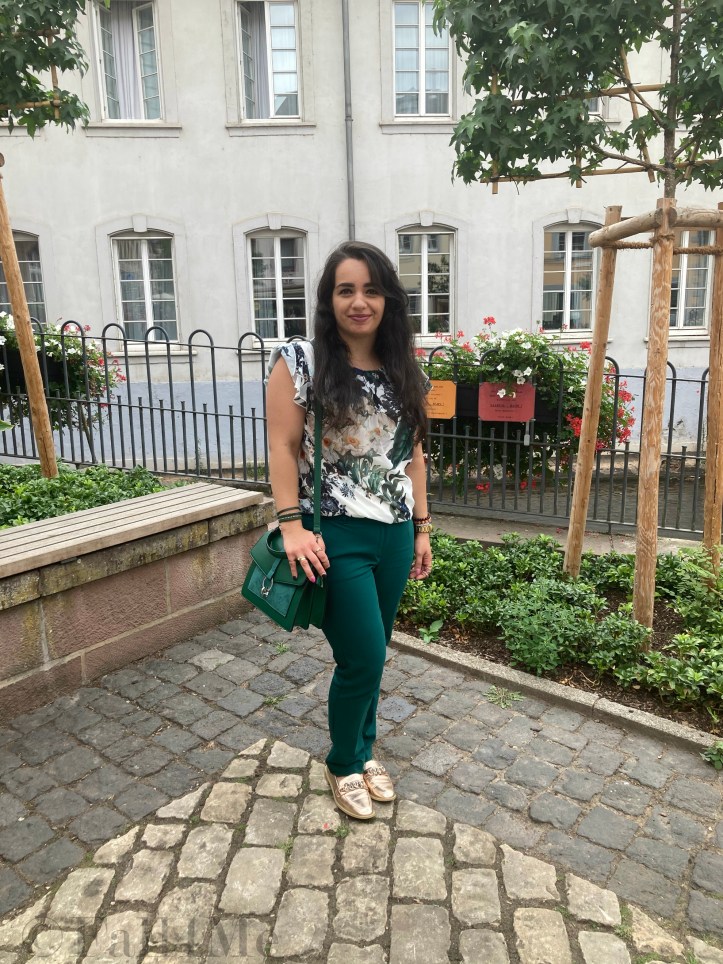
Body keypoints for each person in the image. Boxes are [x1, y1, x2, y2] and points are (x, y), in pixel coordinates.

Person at [265, 240, 432, 820]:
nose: (359, 302)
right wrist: (290, 525)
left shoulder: (403, 367)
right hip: (334, 532)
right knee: (362, 656)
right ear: (328, 298)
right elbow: (283, 447)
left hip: (393, 531)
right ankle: (343, 763)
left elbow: (413, 457)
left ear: (388, 297)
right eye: (345, 290)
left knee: (376, 652)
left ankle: (364, 751)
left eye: (370, 289)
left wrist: (423, 529)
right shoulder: (302, 359)